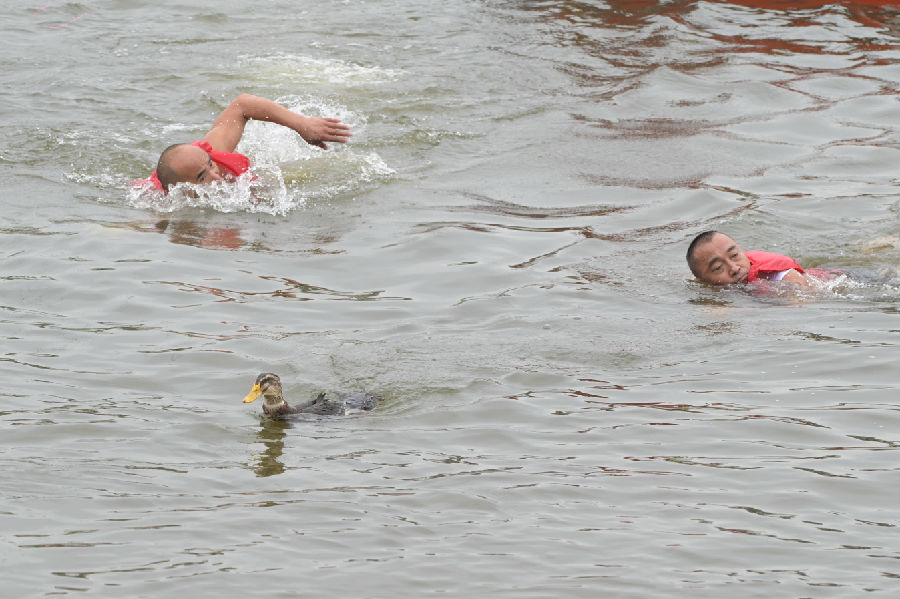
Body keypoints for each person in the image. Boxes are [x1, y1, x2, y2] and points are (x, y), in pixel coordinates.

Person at [135, 94, 352, 192]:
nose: (216, 176)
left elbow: (242, 105)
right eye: (203, 178)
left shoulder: (210, 152)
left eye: (211, 165)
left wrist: (302, 124)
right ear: (179, 190)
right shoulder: (158, 203)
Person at [686, 231, 812, 286]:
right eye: (718, 267)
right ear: (702, 281)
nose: (734, 268)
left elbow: (801, 304)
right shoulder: (702, 282)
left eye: (735, 255)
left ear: (741, 251)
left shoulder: (777, 276)